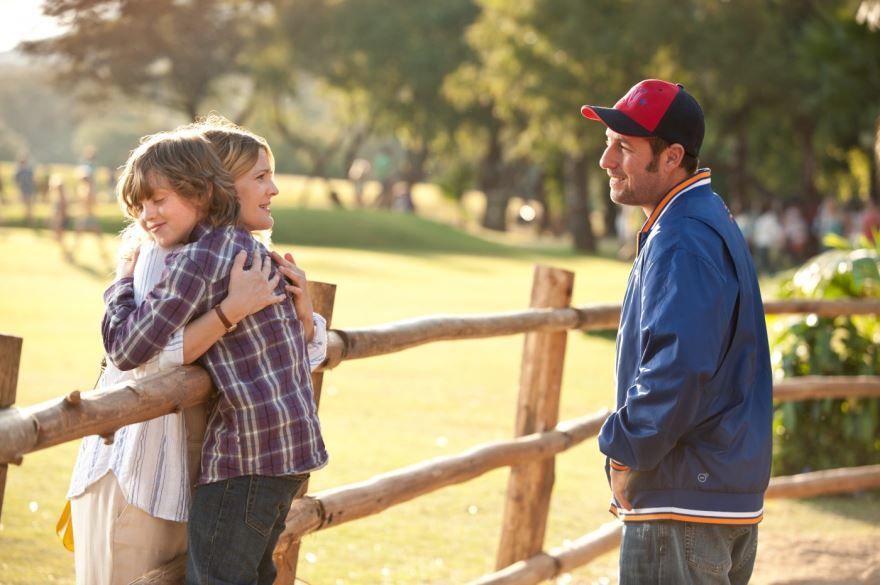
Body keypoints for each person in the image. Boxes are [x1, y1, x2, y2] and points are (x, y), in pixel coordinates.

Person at [67, 127, 327, 585]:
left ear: (204, 190)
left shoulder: (202, 255)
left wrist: (121, 282)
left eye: (159, 201)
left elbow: (127, 349)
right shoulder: (246, 249)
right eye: (140, 206)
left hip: (246, 456)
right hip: (288, 450)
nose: (147, 218)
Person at [580, 79, 772, 585]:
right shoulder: (703, 218)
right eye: (608, 145)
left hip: (682, 499)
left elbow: (677, 367)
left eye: (624, 147)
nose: (608, 161)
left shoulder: (682, 236)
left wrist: (623, 453)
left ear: (672, 158)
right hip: (712, 495)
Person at [14, 154, 35, 224]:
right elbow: (16, 180)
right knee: (26, 204)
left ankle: (29, 218)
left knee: (29, 205)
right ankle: (27, 218)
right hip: (23, 189)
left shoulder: (29, 170)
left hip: (29, 189)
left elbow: (32, 180)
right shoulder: (19, 170)